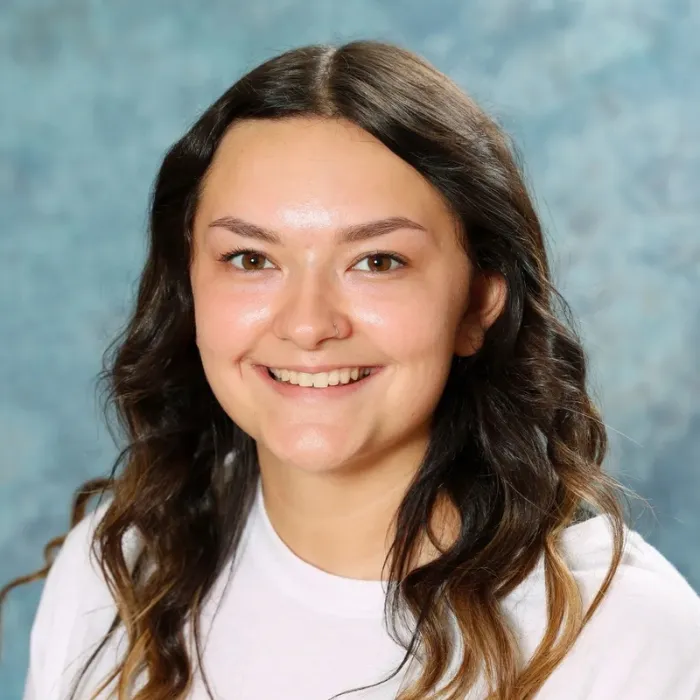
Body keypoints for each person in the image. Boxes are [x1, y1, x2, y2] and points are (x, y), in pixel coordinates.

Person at [2, 39, 699, 700]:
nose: (308, 325)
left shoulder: (623, 637)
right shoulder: (117, 577)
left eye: (378, 261)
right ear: (190, 291)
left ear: (477, 305)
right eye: (250, 259)